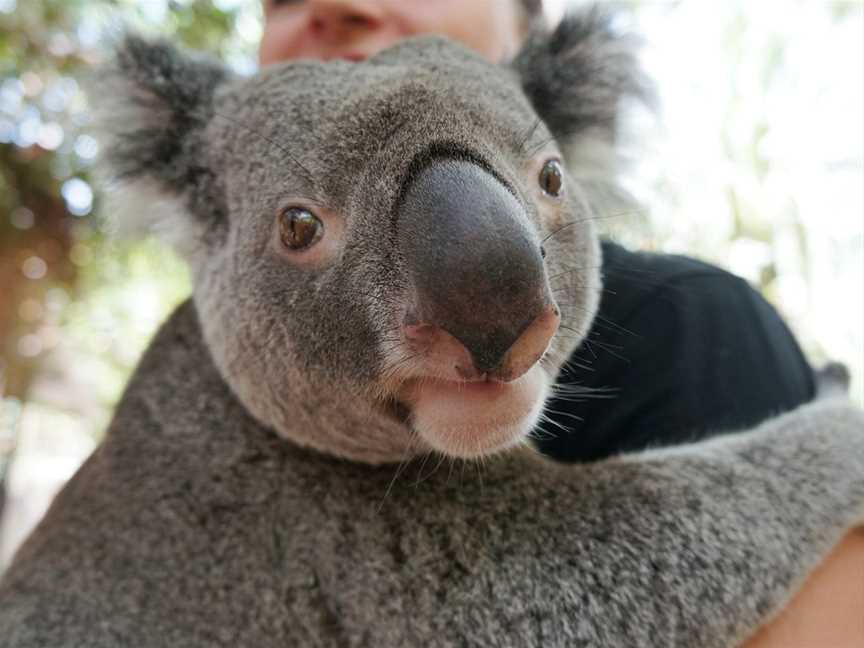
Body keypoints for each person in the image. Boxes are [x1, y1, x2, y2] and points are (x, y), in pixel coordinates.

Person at [258, 1, 864, 646]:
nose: (333, 6)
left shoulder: (676, 324)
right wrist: (832, 452)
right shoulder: (221, 381)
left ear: (531, 41)